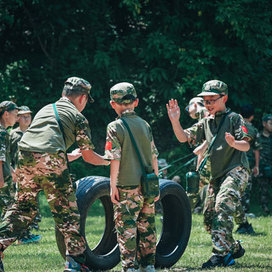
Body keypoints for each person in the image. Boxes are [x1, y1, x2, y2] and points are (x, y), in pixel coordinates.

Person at [0, 77, 110, 272]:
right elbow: (89, 157)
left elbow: (39, 145)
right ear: (83, 98)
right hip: (51, 158)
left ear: (63, 94)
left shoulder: (46, 109)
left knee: (23, 208)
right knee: (66, 211)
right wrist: (107, 160)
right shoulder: (78, 117)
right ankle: (75, 263)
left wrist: (66, 156)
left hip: (24, 156)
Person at [167, 79, 252, 268]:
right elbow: (183, 137)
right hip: (217, 175)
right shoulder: (206, 122)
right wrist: (175, 120)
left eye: (212, 99)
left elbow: (246, 144)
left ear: (225, 98)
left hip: (236, 170)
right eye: (205, 101)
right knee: (208, 218)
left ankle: (220, 256)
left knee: (222, 206)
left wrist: (233, 143)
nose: (208, 104)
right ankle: (234, 248)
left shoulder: (235, 119)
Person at [104, 82, 159, 272]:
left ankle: (130, 268)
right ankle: (149, 266)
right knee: (147, 226)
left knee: (127, 229)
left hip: (126, 186)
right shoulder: (145, 125)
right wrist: (156, 184)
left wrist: (113, 186)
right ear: (135, 102)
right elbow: (154, 157)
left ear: (113, 104)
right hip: (148, 185)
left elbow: (114, 159)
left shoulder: (114, 127)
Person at [9, 105, 42, 244]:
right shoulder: (12, 135)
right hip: (16, 173)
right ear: (17, 118)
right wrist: (11, 172)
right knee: (19, 204)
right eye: (23, 116)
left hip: (33, 173)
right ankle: (19, 235)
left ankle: (27, 233)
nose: (27, 118)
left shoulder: (34, 133)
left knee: (32, 202)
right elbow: (6, 156)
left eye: (29, 115)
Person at [234, 104, 260, 234]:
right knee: (246, 191)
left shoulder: (235, 126)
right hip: (247, 164)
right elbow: (256, 150)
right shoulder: (253, 130)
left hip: (233, 163)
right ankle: (243, 219)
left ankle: (241, 221)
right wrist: (257, 166)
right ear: (252, 116)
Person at [0, 101, 19, 217]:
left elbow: (5, 158)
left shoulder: (4, 132)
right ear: (6, 114)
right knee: (8, 214)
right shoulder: (1, 133)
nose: (17, 118)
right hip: (3, 181)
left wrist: (12, 172)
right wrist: (1, 179)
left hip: (6, 177)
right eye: (15, 114)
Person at [258, 114, 272, 214]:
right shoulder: (258, 137)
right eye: (271, 123)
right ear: (264, 124)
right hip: (263, 167)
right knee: (264, 189)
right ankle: (264, 208)